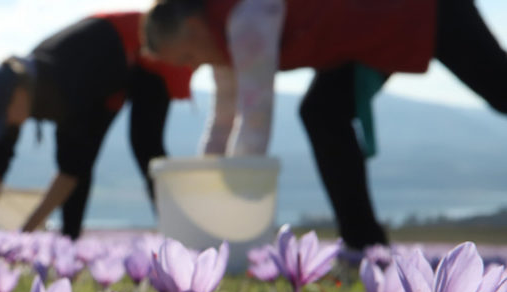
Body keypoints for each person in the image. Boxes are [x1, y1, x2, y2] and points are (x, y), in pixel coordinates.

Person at [143, 0, 507, 250]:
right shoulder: (216, 39)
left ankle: (363, 242)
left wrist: (233, 207)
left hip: (420, 8)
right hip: (367, 31)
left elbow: (255, 118)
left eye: (188, 56)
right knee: (322, 113)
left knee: (500, 87)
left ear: (193, 26)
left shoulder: (246, 17)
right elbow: (222, 121)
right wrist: (204, 187)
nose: (195, 65)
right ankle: (364, 244)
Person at [0, 12, 192, 238]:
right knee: (78, 156)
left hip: (147, 51)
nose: (7, 123)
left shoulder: (68, 84)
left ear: (17, 93)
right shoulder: (23, 86)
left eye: (3, 116)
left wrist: (23, 236)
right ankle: (70, 239)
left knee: (145, 145)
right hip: (105, 65)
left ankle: (179, 233)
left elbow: (70, 171)